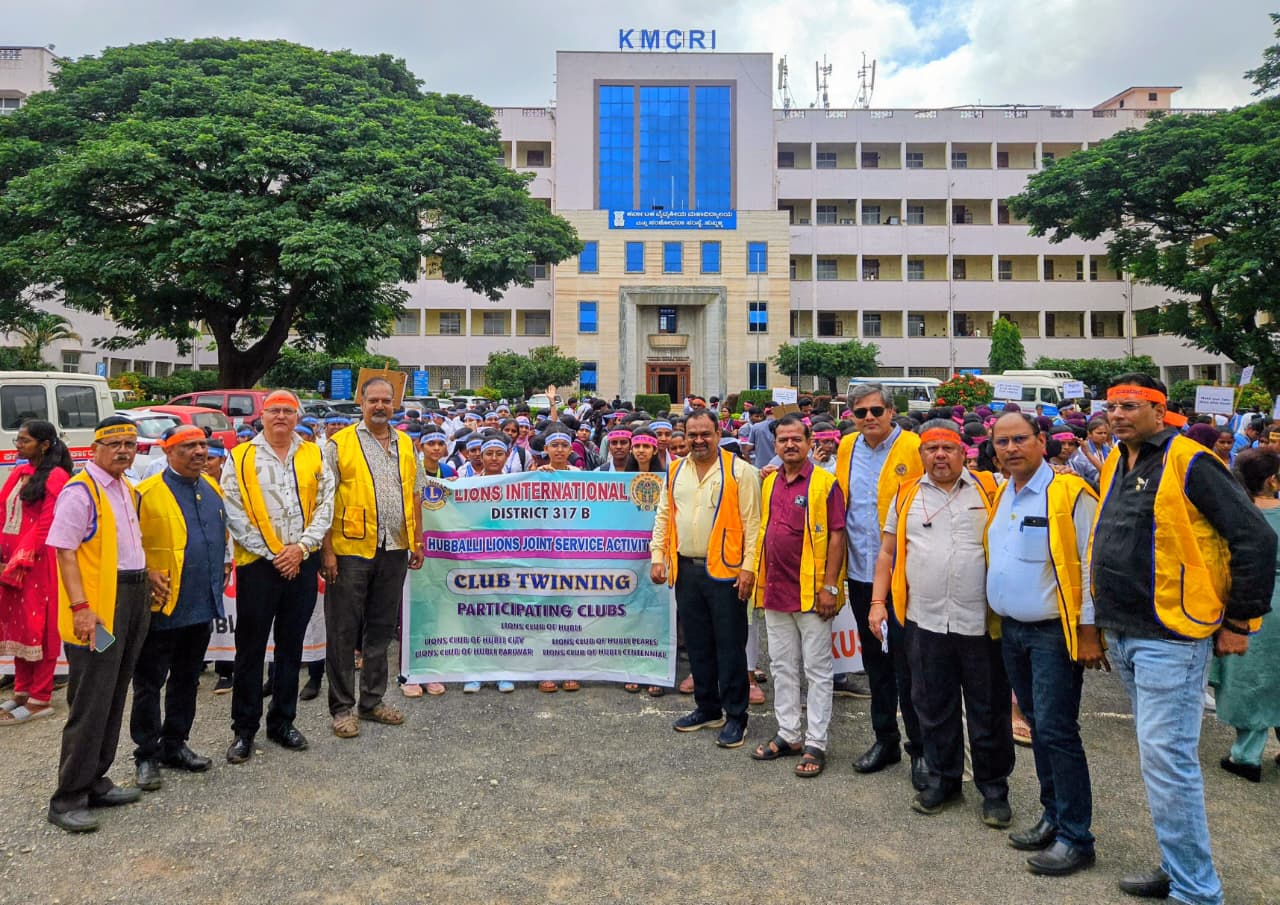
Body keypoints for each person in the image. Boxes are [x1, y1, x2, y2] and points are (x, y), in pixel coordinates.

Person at [1090, 374, 1274, 905]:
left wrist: (1240, 623)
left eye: (1132, 406)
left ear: (1159, 410)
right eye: (1113, 406)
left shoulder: (1191, 460)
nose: (1119, 414)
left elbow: (1255, 539)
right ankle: (1180, 867)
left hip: (1171, 635)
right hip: (1125, 632)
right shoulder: (1116, 461)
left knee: (1168, 762)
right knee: (1160, 761)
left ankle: (1197, 890)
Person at [870, 421, 1012, 825]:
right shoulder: (907, 493)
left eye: (947, 448)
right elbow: (886, 553)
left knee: (988, 709)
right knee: (932, 706)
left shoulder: (990, 490)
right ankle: (944, 778)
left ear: (963, 451)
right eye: (931, 449)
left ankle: (994, 788)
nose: (939, 456)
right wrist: (878, 602)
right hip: (924, 621)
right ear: (921, 455)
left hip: (980, 624)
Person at [986, 412, 1103, 876]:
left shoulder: (1070, 493)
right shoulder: (1002, 492)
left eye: (1020, 439)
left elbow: (1091, 565)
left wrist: (1091, 632)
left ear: (1041, 441)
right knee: (1037, 726)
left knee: (1057, 731)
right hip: (1011, 630)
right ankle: (1053, 817)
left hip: (1053, 633)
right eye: (1002, 442)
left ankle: (1077, 836)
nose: (1011, 448)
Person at [45, 416, 150, 833]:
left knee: (114, 691)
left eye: (130, 443)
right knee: (91, 699)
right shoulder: (80, 491)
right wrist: (81, 608)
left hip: (133, 598)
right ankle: (67, 796)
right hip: (101, 610)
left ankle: (96, 781)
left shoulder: (125, 488)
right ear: (97, 447)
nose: (124, 450)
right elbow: (64, 552)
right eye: (115, 444)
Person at [222, 390, 335, 764]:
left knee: (291, 646)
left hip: (301, 563)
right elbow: (233, 510)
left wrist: (301, 549)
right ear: (263, 416)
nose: (282, 417)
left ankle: (282, 722)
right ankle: (244, 730)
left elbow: (325, 505)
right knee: (251, 648)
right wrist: (276, 553)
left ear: (297, 416)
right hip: (258, 565)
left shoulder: (314, 454)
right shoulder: (241, 457)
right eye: (275, 411)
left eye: (289, 411)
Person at [650, 409, 761, 749]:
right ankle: (708, 708)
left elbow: (753, 523)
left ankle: (736, 716)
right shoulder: (675, 470)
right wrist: (657, 555)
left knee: (729, 647)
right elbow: (665, 514)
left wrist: (749, 567)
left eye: (705, 434)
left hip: (726, 573)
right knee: (698, 644)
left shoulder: (740, 471)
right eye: (693, 434)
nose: (699, 441)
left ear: (718, 432)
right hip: (686, 569)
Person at [835, 383, 927, 789]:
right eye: (860, 413)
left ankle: (921, 750)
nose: (869, 418)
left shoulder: (915, 445)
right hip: (859, 571)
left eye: (876, 411)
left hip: (905, 576)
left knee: (911, 666)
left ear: (892, 411)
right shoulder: (846, 448)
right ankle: (885, 740)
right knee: (875, 663)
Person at [321, 378, 424, 739]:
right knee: (343, 630)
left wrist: (418, 540)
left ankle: (372, 701)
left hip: (394, 547)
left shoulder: (407, 443)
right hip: (350, 551)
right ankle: (342, 708)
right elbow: (324, 502)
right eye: (373, 400)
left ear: (394, 404)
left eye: (386, 400)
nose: (380, 406)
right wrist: (327, 551)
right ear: (360, 403)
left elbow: (415, 493)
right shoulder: (339, 444)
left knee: (380, 630)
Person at [130, 425, 229, 791]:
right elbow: (127, 543)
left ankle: (175, 744)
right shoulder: (146, 492)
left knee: (187, 679)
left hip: (200, 604)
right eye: (188, 446)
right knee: (149, 683)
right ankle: (146, 753)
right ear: (168, 451)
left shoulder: (212, 488)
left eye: (202, 444)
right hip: (162, 606)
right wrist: (146, 569)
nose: (199, 452)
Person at [749, 415, 845, 777]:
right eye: (783, 440)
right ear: (774, 445)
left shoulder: (825, 482)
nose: (790, 445)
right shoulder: (769, 482)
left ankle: (816, 742)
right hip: (775, 589)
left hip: (812, 593)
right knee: (782, 667)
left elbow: (837, 535)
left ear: (808, 443)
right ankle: (789, 734)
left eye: (796, 439)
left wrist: (830, 586)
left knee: (818, 670)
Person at [1210, 448, 1280, 782]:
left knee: (1251, 681)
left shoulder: (1234, 516)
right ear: (1272, 480)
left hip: (1250, 604)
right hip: (1271, 599)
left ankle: (1246, 756)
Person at [0, 421, 73, 726]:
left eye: (24, 440)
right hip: (11, 563)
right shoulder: (19, 472)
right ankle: (21, 689)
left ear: (44, 444)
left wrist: (23, 557)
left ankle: (40, 697)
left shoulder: (56, 477)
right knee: (18, 626)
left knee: (40, 627)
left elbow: (48, 524)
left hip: (39, 563)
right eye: (17, 439)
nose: (18, 444)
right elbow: (3, 510)